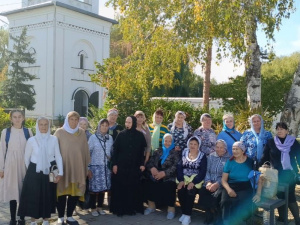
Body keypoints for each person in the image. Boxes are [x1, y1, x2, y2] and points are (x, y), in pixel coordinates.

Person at [18, 117, 63, 225]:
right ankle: (33, 220)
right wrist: (33, 170)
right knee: (33, 195)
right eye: (41, 124)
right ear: (37, 126)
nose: (43, 127)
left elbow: (58, 156)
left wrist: (61, 172)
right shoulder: (32, 140)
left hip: (49, 170)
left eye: (45, 124)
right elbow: (26, 158)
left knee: (47, 194)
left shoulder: (53, 139)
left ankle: (46, 219)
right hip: (34, 170)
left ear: (49, 126)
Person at [260, 122, 300, 225]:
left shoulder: (293, 142)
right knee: (279, 196)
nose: (279, 131)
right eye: (278, 129)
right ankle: (282, 218)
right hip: (274, 175)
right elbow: (265, 157)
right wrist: (259, 167)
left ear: (287, 131)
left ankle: (297, 219)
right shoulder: (271, 142)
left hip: (289, 174)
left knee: (290, 197)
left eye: (282, 129)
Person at [54, 111, 90, 225]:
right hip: (63, 168)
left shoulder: (82, 133)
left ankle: (69, 216)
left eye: (76, 120)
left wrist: (87, 167)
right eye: (71, 119)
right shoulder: (59, 132)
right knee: (62, 193)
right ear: (67, 120)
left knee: (74, 193)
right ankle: (60, 217)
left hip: (78, 167)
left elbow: (85, 151)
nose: (74, 122)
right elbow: (54, 150)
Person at [0, 110, 33, 225]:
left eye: (19, 117)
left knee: (24, 191)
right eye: (15, 117)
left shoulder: (28, 131)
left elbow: (32, 150)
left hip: (24, 164)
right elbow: (2, 150)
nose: (17, 119)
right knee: (13, 191)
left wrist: (32, 167)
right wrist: (1, 168)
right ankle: (13, 218)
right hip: (11, 164)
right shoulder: (6, 132)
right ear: (11, 119)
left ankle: (22, 218)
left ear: (23, 118)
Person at [110, 116, 146, 216]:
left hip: (134, 167)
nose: (127, 124)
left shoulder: (140, 135)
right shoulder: (121, 134)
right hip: (121, 166)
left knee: (132, 188)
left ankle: (131, 208)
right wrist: (115, 164)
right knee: (121, 188)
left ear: (133, 123)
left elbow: (141, 152)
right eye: (126, 122)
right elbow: (115, 151)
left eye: (129, 122)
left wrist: (142, 164)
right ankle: (120, 209)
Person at [221, 141, 260, 225]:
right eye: (233, 149)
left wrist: (258, 194)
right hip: (231, 185)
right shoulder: (230, 162)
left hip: (245, 186)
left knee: (242, 202)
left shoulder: (250, 162)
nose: (234, 151)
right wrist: (229, 190)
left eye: (237, 149)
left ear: (243, 151)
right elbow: (223, 180)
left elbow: (259, 179)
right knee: (225, 201)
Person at [144, 133, 179, 220]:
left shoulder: (175, 153)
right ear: (163, 141)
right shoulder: (158, 151)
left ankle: (171, 210)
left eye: (169, 141)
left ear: (172, 142)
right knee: (147, 182)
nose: (167, 143)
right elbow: (150, 162)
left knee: (169, 185)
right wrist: (152, 168)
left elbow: (176, 166)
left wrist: (164, 173)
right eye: (165, 141)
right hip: (155, 174)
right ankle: (151, 206)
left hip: (168, 176)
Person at [198, 139, 230, 225]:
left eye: (221, 147)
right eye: (217, 147)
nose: (219, 149)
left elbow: (226, 175)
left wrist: (217, 184)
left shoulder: (229, 159)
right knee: (202, 192)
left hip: (221, 184)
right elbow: (206, 171)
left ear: (225, 148)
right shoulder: (211, 156)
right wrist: (208, 182)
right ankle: (209, 214)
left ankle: (216, 215)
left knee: (217, 196)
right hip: (209, 183)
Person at [177, 136, 207, 225]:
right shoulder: (184, 152)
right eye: (191, 144)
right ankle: (184, 212)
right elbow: (179, 167)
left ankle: (188, 215)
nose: (193, 146)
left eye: (195, 144)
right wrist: (181, 180)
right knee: (181, 191)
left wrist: (193, 182)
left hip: (196, 179)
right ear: (188, 144)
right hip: (184, 177)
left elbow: (202, 171)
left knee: (190, 191)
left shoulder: (202, 155)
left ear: (198, 145)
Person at [88, 119, 113, 217]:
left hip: (106, 167)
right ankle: (93, 208)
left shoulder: (110, 138)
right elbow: (88, 153)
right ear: (99, 126)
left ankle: (100, 207)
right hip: (95, 167)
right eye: (102, 125)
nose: (104, 127)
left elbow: (112, 151)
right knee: (94, 189)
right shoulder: (93, 138)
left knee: (103, 188)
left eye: (106, 125)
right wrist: (88, 167)